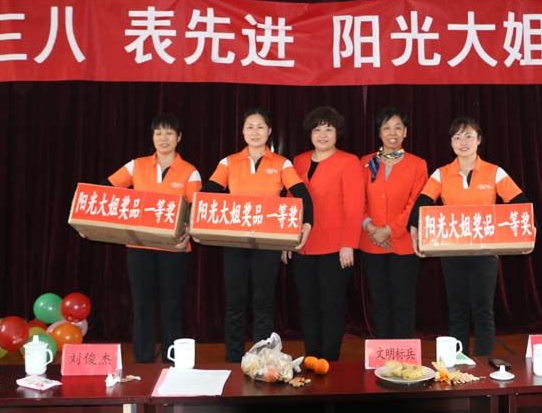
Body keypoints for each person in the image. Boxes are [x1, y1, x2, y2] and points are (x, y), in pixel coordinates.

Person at [407, 116, 530, 357]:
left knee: (483, 311)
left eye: (468, 136)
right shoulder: (441, 174)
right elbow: (421, 203)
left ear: (479, 140)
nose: (463, 142)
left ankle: (484, 364)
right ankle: (457, 363)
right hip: (451, 252)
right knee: (457, 311)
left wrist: (528, 232)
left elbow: (521, 203)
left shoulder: (494, 172)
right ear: (451, 143)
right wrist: (414, 228)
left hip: (485, 253)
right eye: (457, 137)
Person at [202, 108, 313, 363]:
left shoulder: (281, 163)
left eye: (260, 127)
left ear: (269, 131)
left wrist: (306, 223)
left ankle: (262, 360)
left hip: (268, 242)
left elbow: (302, 195)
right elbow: (208, 192)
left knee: (263, 303)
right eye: (250, 127)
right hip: (235, 241)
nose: (255, 132)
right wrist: (197, 224)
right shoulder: (229, 162)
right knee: (235, 303)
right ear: (242, 132)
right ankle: (233, 360)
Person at [106, 113, 202, 363]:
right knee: (142, 306)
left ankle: (173, 360)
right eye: (158, 133)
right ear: (152, 137)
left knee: (172, 306)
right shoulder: (135, 166)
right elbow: (106, 190)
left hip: (174, 249)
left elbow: (196, 210)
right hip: (138, 247)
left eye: (169, 133)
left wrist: (188, 231)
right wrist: (89, 222)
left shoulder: (190, 171)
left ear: (179, 138)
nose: (163, 138)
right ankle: (143, 360)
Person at [287, 106, 364, 360]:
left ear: (337, 133)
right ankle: (312, 358)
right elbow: (290, 202)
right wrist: (285, 240)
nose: (322, 135)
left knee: (331, 306)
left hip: (335, 248)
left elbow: (354, 206)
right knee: (307, 306)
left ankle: (330, 361)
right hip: (302, 246)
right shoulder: (298, 161)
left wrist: (348, 243)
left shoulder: (349, 161)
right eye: (317, 129)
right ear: (310, 133)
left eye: (328, 129)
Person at [359, 107, 428, 339]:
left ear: (405, 132)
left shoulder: (418, 164)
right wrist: (371, 228)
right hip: (371, 242)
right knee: (379, 302)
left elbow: (415, 203)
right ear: (379, 132)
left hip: (404, 243)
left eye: (398, 127)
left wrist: (388, 230)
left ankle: (403, 353)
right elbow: (358, 201)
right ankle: (383, 352)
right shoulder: (365, 163)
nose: (392, 132)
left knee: (403, 302)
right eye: (386, 127)